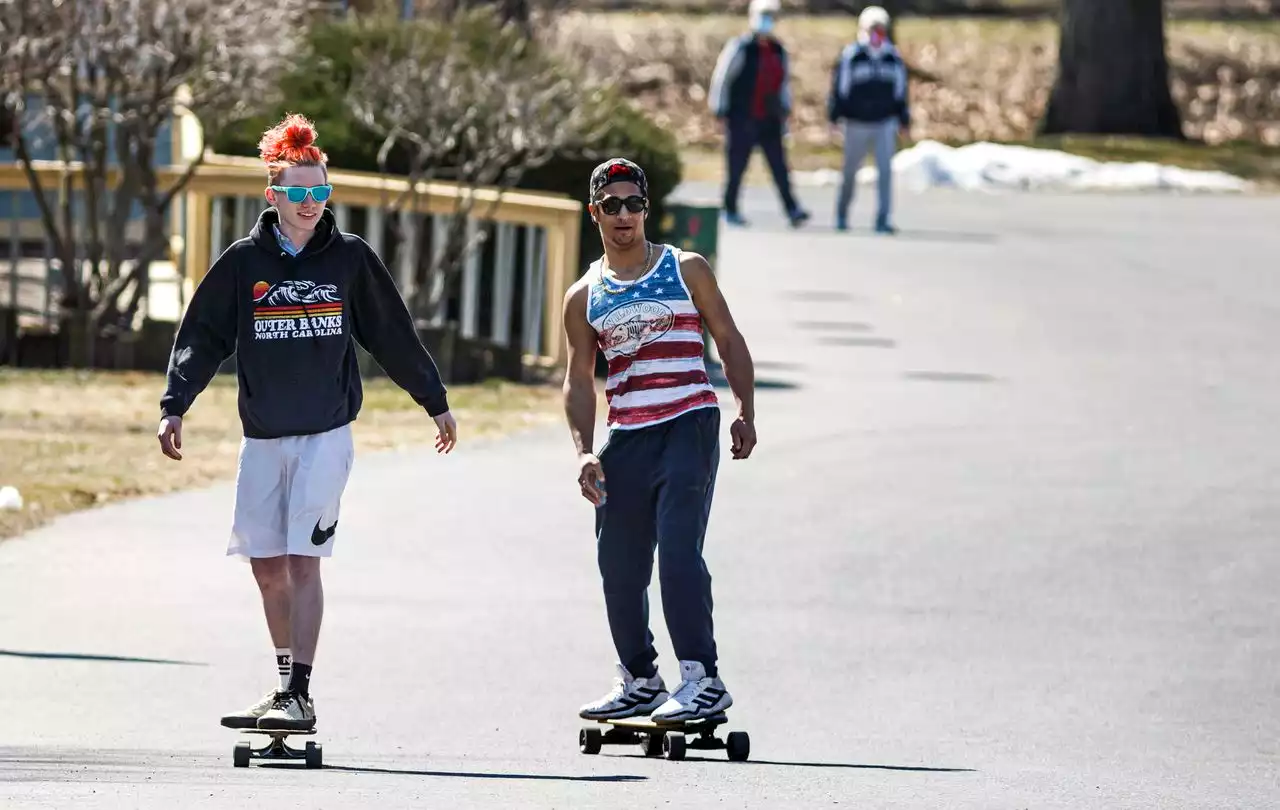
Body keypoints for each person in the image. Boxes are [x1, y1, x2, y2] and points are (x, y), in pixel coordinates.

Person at [156, 113, 458, 732]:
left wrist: (434, 399)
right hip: (262, 439)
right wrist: (174, 405)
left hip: (324, 437)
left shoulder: (348, 259)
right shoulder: (243, 263)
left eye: (320, 192)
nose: (310, 203)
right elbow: (202, 337)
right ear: (274, 196)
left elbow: (392, 335)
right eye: (298, 192)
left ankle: (300, 692)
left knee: (302, 561)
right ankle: (284, 683)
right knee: (266, 564)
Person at [561, 158, 758, 723]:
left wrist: (744, 408)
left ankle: (703, 677)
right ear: (594, 212)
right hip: (627, 436)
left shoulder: (686, 268)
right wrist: (583, 449)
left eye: (635, 204)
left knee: (676, 553)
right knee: (618, 566)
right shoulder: (584, 295)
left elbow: (728, 337)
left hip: (688, 423)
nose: (625, 216)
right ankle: (641, 679)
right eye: (612, 205)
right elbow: (578, 380)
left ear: (647, 209)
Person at [707, 0, 810, 229]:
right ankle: (730, 208)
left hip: (769, 119)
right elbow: (723, 78)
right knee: (736, 167)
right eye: (764, 15)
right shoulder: (741, 47)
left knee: (779, 167)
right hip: (742, 117)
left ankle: (792, 209)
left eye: (771, 16)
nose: (767, 21)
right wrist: (719, 108)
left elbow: (783, 83)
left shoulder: (778, 50)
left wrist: (786, 109)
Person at [827, 5, 910, 234]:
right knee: (850, 171)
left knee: (885, 172)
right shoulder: (852, 56)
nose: (876, 34)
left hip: (884, 122)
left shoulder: (893, 58)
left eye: (880, 29)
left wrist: (903, 119)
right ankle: (842, 215)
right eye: (872, 29)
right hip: (856, 123)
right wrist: (834, 117)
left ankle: (883, 219)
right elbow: (840, 90)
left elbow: (900, 92)